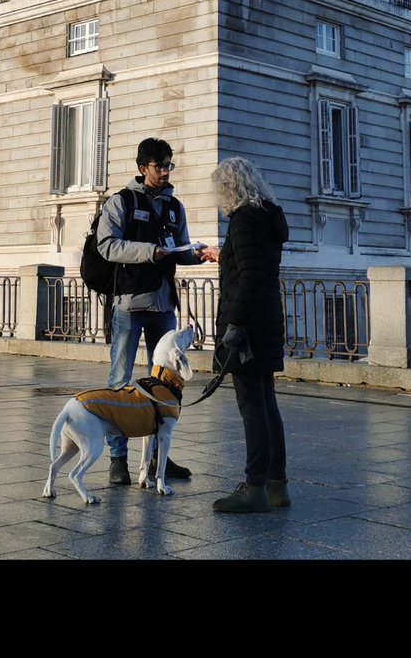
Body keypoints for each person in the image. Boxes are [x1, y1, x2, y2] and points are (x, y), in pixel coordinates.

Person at [96, 138, 205, 485]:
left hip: (163, 306)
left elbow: (177, 249)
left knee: (163, 386)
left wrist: (196, 253)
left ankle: (159, 458)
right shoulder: (121, 202)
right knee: (120, 383)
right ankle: (118, 459)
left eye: (169, 165)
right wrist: (150, 252)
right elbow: (106, 245)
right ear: (143, 168)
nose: (165, 171)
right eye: (160, 166)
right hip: (129, 305)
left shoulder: (175, 206)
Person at [198, 157, 289, 513]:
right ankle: (276, 485)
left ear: (229, 187)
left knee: (253, 409)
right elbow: (255, 264)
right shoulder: (266, 216)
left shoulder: (242, 220)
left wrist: (233, 325)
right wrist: (224, 255)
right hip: (266, 321)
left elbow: (249, 277)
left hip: (248, 329)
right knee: (267, 405)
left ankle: (254, 488)